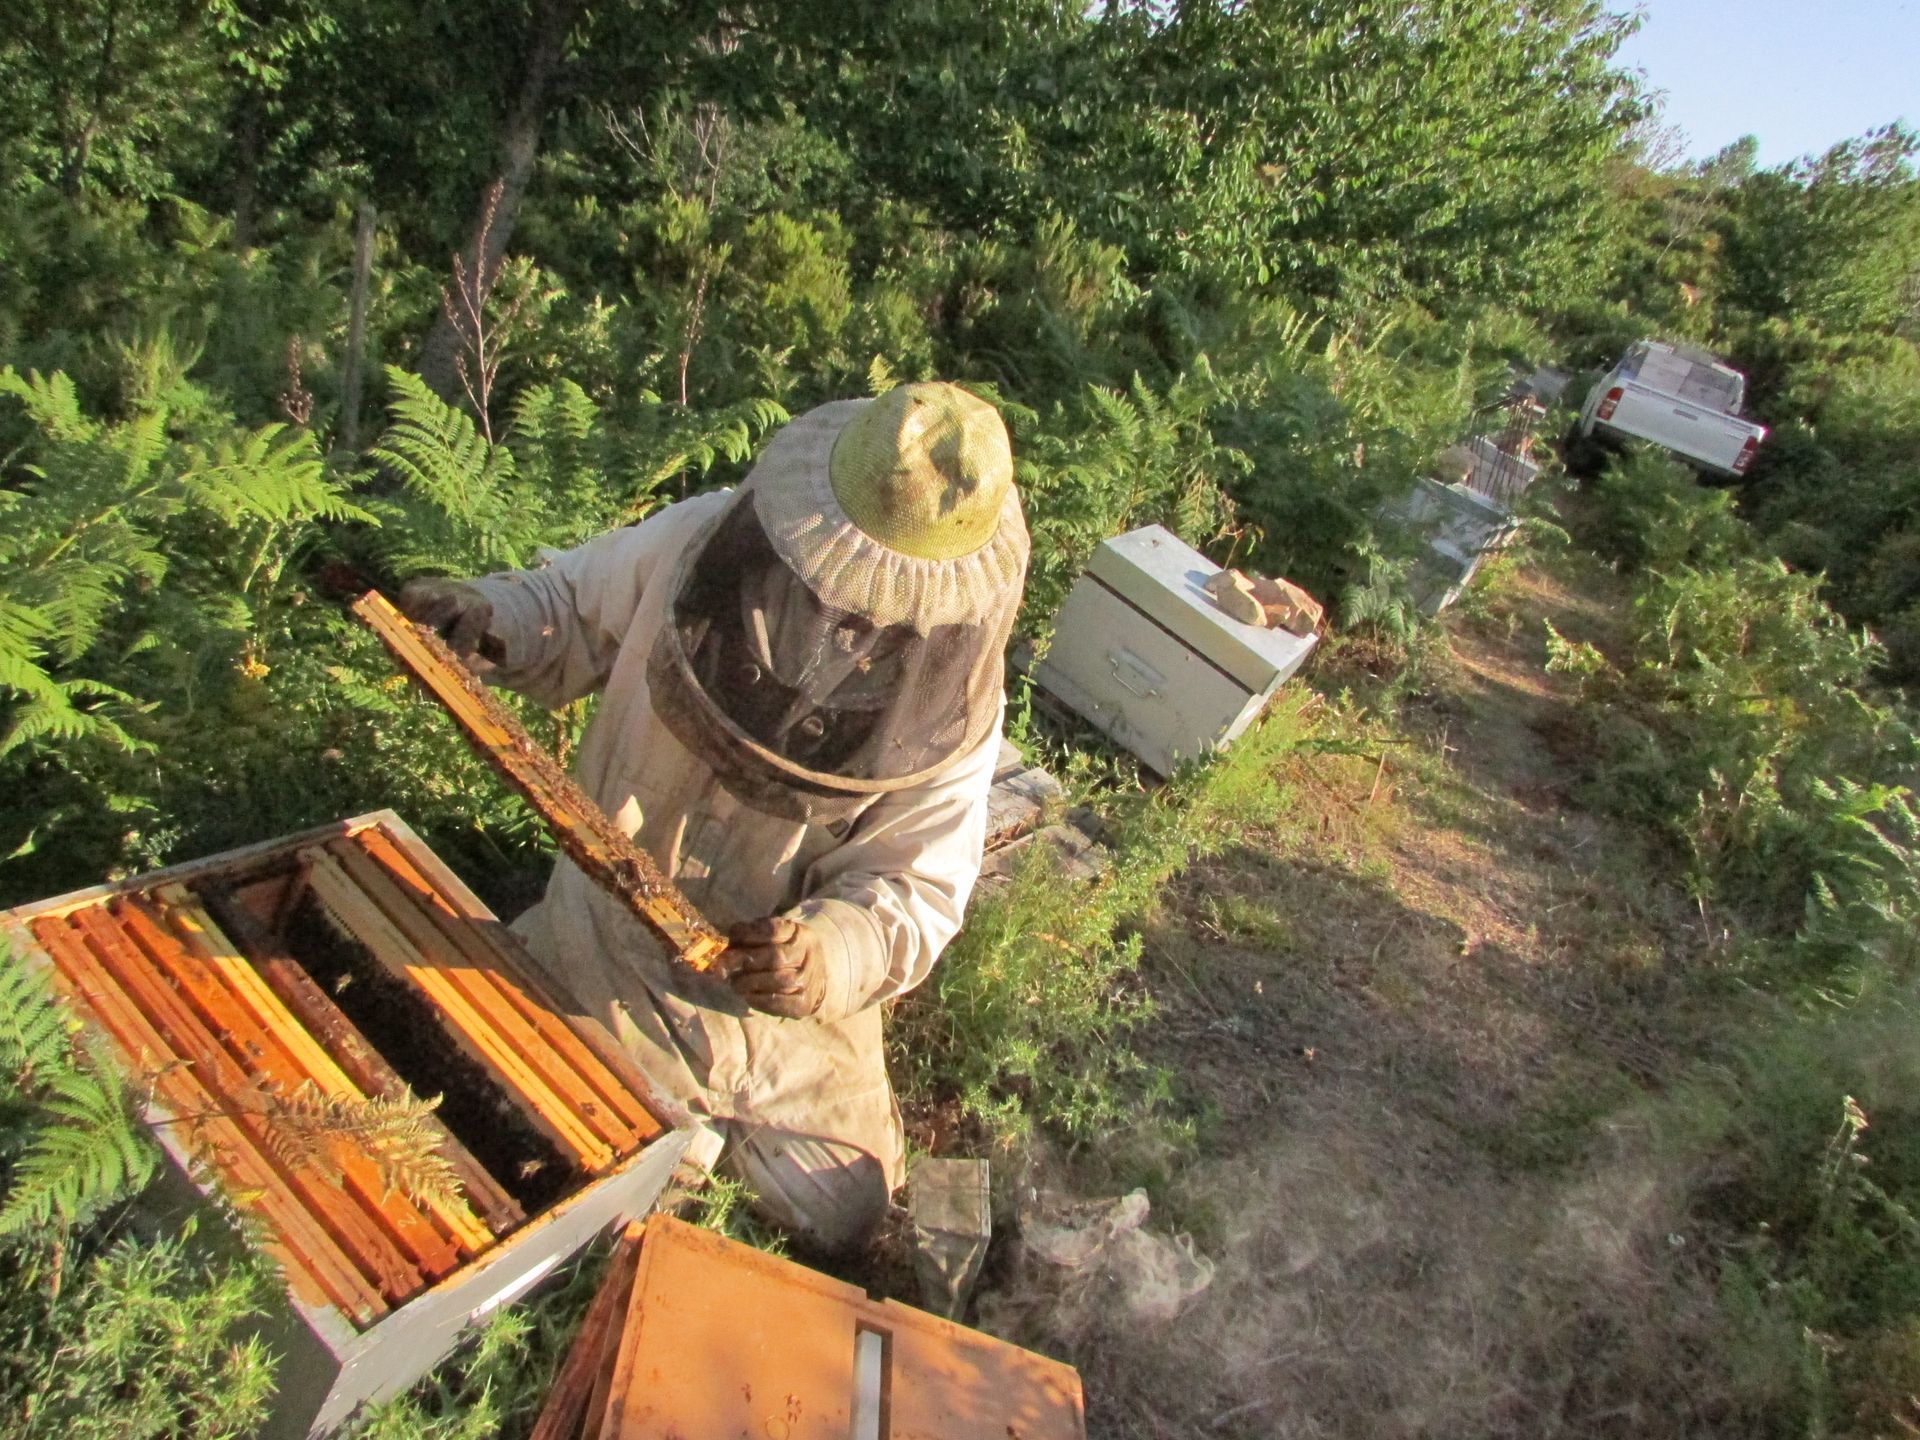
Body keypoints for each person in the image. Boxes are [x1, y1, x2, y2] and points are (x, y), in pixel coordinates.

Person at [398, 383, 1028, 1254]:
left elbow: (917, 885)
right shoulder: (701, 543)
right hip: (612, 947)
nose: (852, 615)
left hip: (782, 1011)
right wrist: (489, 615)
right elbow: (572, 608)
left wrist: (832, 953)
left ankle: (691, 1148)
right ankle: (664, 1155)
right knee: (598, 1164)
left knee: (846, 1211)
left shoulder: (949, 702)